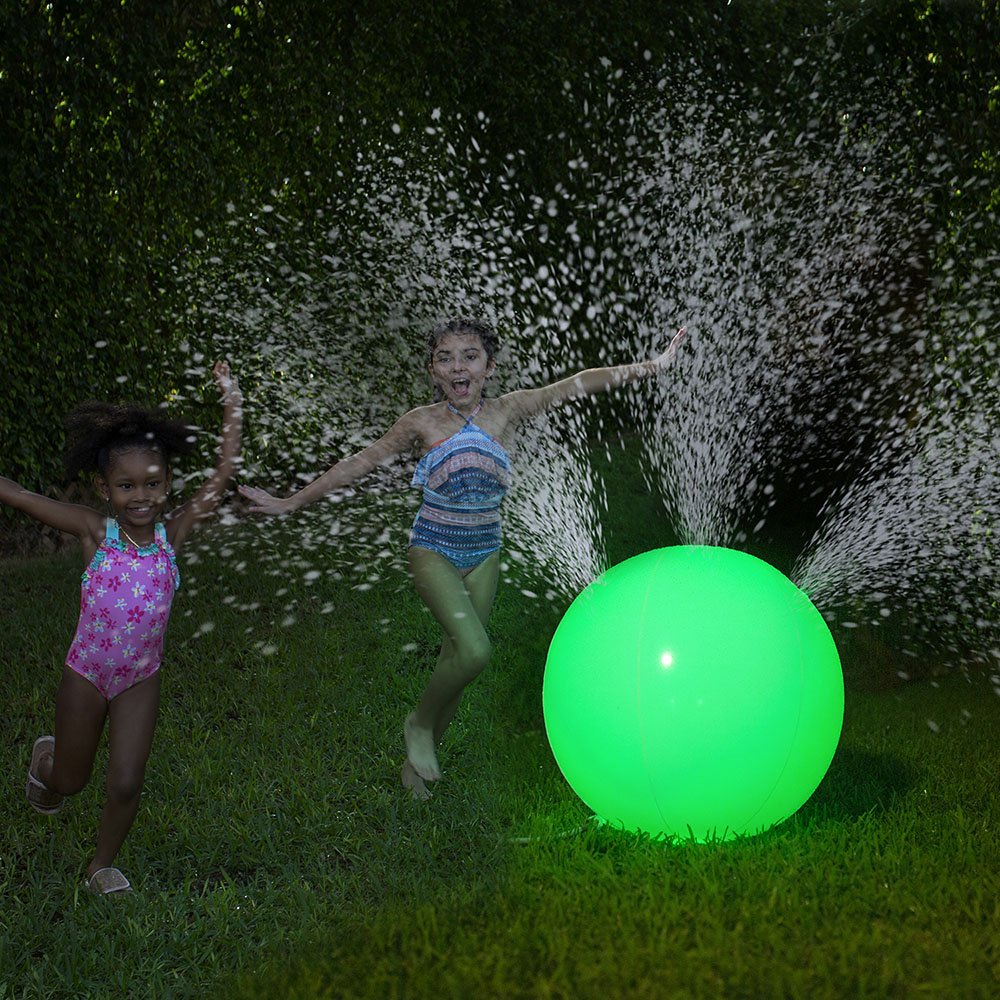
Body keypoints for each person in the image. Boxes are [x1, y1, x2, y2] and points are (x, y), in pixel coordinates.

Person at [239, 319, 684, 800]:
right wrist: (289, 503)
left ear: (489, 367)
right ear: (433, 370)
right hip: (433, 548)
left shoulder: (508, 410)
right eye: (445, 358)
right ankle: (418, 726)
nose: (458, 366)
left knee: (459, 661)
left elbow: (577, 383)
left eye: (469, 356)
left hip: (485, 551)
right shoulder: (421, 422)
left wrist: (653, 366)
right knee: (475, 650)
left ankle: (416, 767)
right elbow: (358, 464)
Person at [1, 361, 243, 895]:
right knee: (71, 781)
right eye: (126, 486)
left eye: (153, 484)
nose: (141, 497)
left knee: (127, 780)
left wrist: (231, 397)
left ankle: (100, 867)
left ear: (168, 483)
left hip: (140, 677)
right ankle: (46, 760)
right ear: (105, 487)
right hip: (86, 673)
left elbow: (224, 470)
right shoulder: (95, 531)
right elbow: (18, 495)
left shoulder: (171, 535)